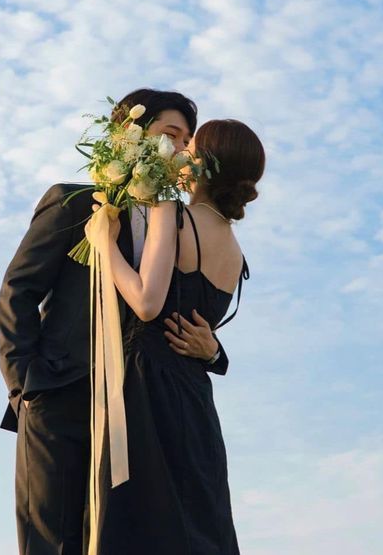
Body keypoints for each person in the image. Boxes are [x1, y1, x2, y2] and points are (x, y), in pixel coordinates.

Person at [0, 88, 231, 555]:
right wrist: (25, 385)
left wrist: (215, 352)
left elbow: (177, 313)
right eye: (172, 135)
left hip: (133, 413)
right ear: (131, 136)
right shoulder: (74, 202)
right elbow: (18, 290)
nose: (183, 150)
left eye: (188, 141)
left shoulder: (174, 224)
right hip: (58, 397)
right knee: (52, 539)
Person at [92, 118, 266, 555]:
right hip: (195, 401)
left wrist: (103, 244)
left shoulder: (172, 213)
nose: (181, 152)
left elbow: (147, 303)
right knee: (198, 526)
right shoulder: (234, 248)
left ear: (203, 163)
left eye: (191, 147)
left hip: (147, 389)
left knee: (140, 524)